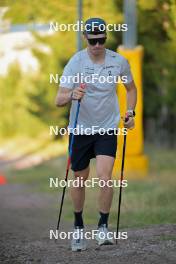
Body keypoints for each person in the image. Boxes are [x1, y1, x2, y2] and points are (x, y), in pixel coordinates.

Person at [55, 17, 137, 251]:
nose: (98, 45)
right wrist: (72, 95)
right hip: (80, 129)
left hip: (107, 127)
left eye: (101, 40)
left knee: (104, 176)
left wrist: (130, 112)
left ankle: (103, 227)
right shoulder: (75, 63)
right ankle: (78, 227)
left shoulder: (118, 61)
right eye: (93, 41)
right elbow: (58, 99)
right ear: (86, 39)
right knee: (79, 179)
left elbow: (130, 88)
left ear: (106, 38)